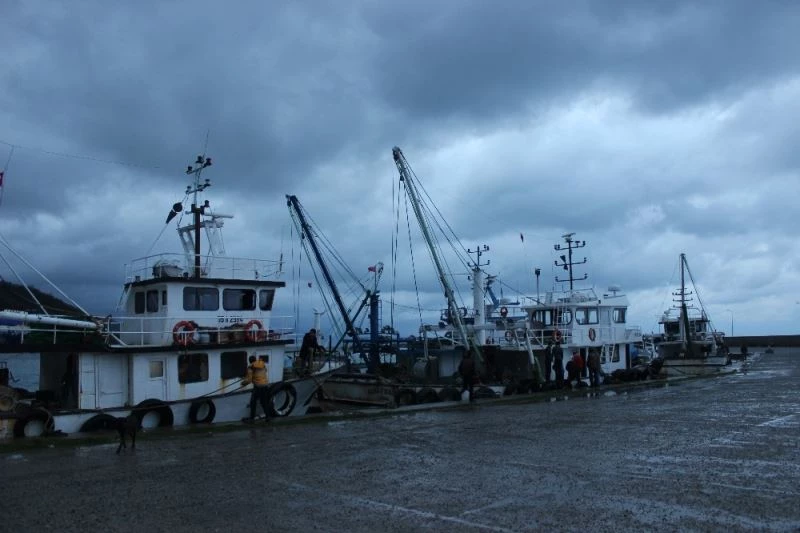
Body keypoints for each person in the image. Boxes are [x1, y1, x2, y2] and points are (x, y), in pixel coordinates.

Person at [242, 355, 271, 423]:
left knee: (253, 402)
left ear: (249, 361)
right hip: (265, 385)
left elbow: (249, 380)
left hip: (258, 386)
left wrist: (243, 383)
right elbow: (265, 371)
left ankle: (252, 419)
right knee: (264, 402)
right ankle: (268, 417)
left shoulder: (250, 367)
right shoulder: (262, 364)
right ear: (255, 359)